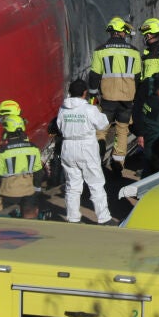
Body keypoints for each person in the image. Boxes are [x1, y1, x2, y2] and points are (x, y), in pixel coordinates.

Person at [56, 79, 116, 225]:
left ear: (70, 92)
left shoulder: (63, 109)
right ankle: (104, 218)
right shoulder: (90, 109)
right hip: (86, 146)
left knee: (72, 185)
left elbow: (59, 125)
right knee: (95, 183)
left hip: (68, 146)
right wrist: (97, 109)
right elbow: (103, 124)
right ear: (85, 93)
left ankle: (73, 217)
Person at [88, 16, 142, 166]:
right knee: (123, 129)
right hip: (127, 98)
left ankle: (98, 157)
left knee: (101, 129)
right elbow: (137, 77)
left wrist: (92, 95)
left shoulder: (100, 51)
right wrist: (135, 96)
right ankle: (118, 162)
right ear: (122, 33)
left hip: (107, 98)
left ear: (111, 32)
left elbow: (94, 76)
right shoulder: (134, 52)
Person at [0, 115, 46, 218]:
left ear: (7, 130)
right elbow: (38, 173)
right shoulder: (33, 148)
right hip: (28, 193)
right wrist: (36, 190)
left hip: (8, 195)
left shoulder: (3, 151)